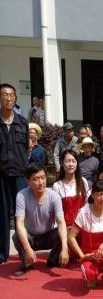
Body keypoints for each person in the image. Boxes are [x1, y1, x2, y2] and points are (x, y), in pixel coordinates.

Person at [13, 164, 69, 276]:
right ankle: (26, 263)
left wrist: (65, 248)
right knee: (16, 236)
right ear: (28, 181)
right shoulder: (21, 196)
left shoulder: (54, 196)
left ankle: (53, 260)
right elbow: (19, 224)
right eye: (36, 179)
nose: (41, 182)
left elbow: (61, 222)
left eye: (43, 177)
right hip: (30, 237)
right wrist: (27, 248)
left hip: (48, 235)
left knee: (64, 232)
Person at [69, 180, 103, 291]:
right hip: (91, 255)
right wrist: (82, 255)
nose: (102, 198)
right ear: (93, 195)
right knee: (90, 281)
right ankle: (94, 272)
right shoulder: (83, 212)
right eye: (99, 194)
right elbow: (71, 237)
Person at [0, 83, 29, 265]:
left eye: (12, 95)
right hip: (1, 175)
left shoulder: (22, 123)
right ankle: (2, 254)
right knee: (2, 215)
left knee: (21, 214)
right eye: (5, 95)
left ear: (15, 98)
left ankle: (24, 252)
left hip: (19, 174)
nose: (9, 98)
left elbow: (26, 148)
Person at [53, 149, 89, 230]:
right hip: (66, 228)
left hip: (83, 227)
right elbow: (56, 212)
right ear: (62, 163)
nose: (71, 164)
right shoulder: (57, 186)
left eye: (73, 161)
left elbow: (88, 205)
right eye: (67, 161)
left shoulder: (83, 182)